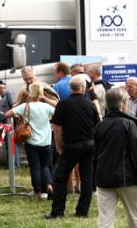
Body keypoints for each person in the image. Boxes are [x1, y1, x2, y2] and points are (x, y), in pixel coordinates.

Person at [94, 87, 137, 228]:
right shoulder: (129, 124)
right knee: (135, 218)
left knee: (105, 222)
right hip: (128, 179)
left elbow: (95, 154)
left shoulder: (99, 126)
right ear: (123, 104)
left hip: (104, 178)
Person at [47, 76, 99, 219]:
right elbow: (97, 127)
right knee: (87, 178)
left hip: (71, 146)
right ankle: (82, 211)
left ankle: (58, 211)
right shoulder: (90, 105)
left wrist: (59, 147)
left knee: (60, 177)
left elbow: (57, 128)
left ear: (71, 88)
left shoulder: (62, 104)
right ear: (83, 88)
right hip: (89, 145)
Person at [6, 82, 55, 199]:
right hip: (46, 141)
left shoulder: (25, 106)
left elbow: (8, 114)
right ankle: (49, 186)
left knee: (35, 166)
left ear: (29, 93)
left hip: (31, 141)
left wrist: (19, 108)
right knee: (46, 165)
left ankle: (37, 190)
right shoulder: (47, 107)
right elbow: (57, 111)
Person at [0, 79, 20, 167]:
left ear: (0, 88)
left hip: (10, 123)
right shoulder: (3, 97)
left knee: (11, 144)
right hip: (6, 123)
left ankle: (14, 165)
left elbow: (13, 106)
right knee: (8, 144)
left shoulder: (8, 94)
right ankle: (11, 164)